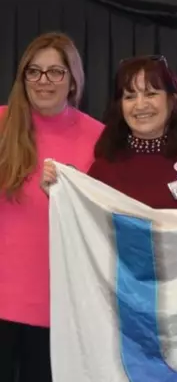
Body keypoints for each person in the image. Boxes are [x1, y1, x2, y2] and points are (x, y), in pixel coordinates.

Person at [0, 32, 104, 382]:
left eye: (55, 72)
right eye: (34, 71)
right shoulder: (1, 124)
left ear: (73, 80)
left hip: (59, 307)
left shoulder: (99, 138)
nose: (43, 81)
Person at [42, 55, 177, 210]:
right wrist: (62, 194)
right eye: (130, 97)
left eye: (151, 94)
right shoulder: (104, 170)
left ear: (172, 100)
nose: (140, 105)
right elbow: (88, 225)